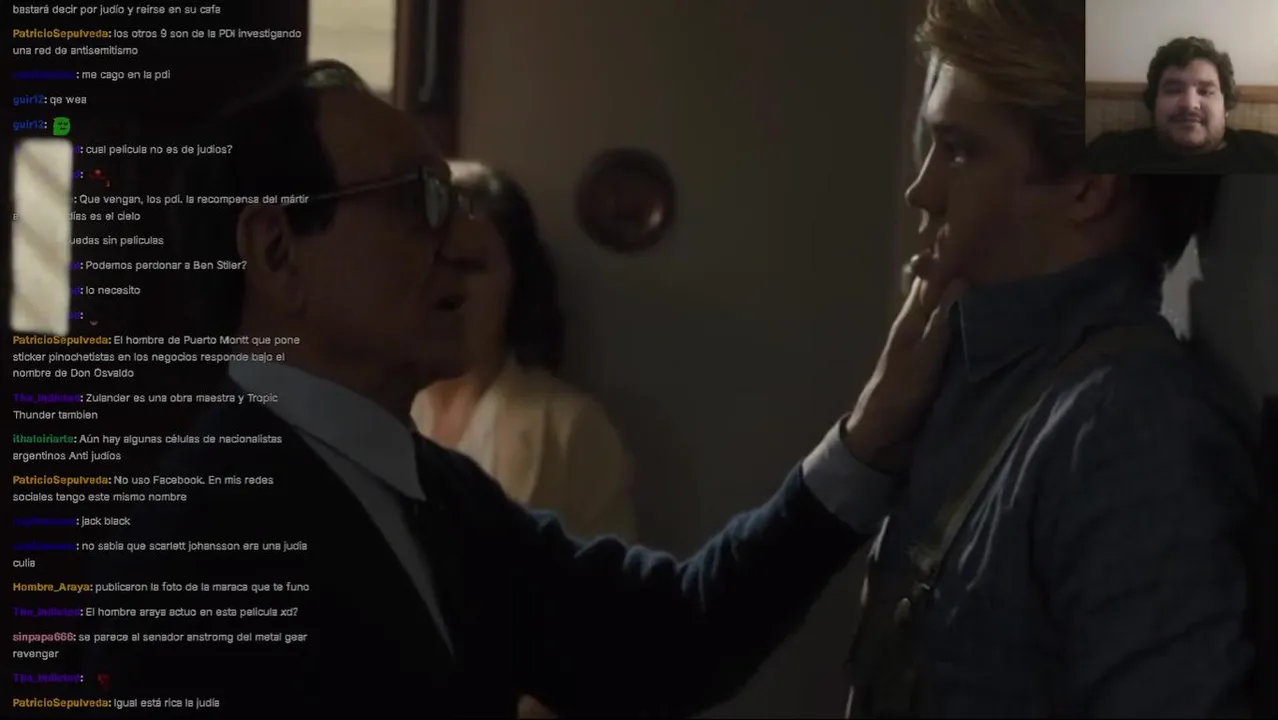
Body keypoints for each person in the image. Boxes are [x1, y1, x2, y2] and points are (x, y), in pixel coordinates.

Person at [76, 60, 958, 717]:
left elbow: (673, 640)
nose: (469, 245)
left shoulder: (441, 495)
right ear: (276, 252)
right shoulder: (190, 550)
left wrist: (866, 443)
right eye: (416, 199)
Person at [841, 0, 1257, 716]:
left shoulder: (1127, 431)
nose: (921, 190)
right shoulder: (971, 378)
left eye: (960, 150)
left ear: (1090, 189)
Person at [412, 161, 637, 545]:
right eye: (431, 263)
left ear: (515, 278)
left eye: (471, 265)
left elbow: (610, 577)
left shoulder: (570, 429)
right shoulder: (370, 408)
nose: (447, 286)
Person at [1087, 36, 1278, 174]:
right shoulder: (1109, 154)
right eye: (1173, 90)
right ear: (1154, 102)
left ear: (1226, 107)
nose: (1189, 104)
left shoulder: (1268, 154)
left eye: (1205, 91)